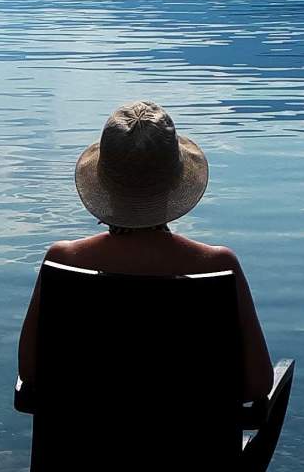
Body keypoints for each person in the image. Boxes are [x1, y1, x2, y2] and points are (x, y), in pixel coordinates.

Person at [18, 101, 274, 401]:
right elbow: (257, 385)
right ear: (176, 183)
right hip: (195, 447)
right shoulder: (217, 264)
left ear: (105, 185)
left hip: (80, 446)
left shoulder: (64, 260)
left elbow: (31, 373)